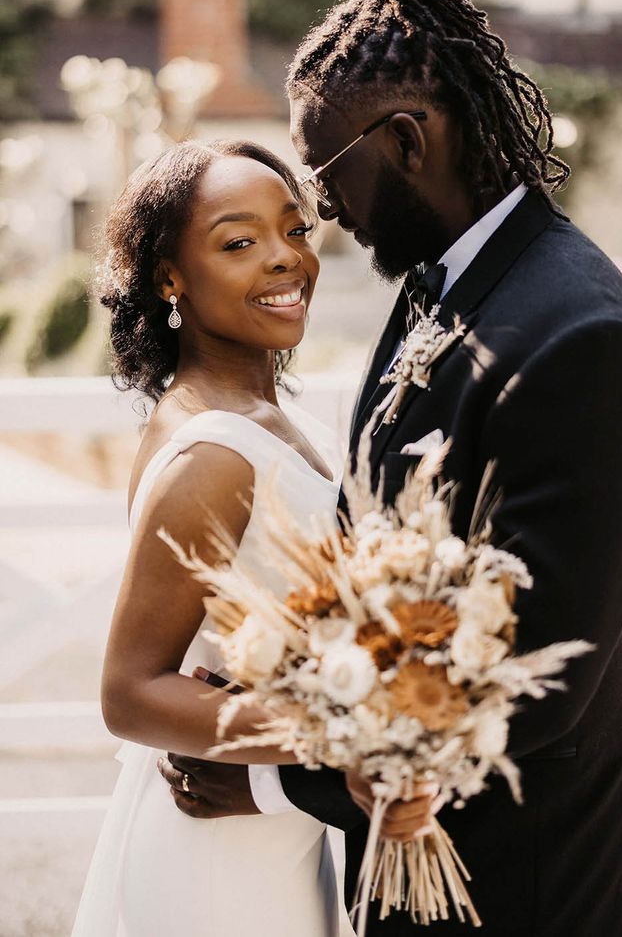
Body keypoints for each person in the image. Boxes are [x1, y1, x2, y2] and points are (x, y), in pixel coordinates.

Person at [162, 0, 622, 936]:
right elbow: (384, 551)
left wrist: (275, 784)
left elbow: (536, 684)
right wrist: (287, 677)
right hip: (428, 865)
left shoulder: (580, 336)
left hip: (539, 882)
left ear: (404, 139)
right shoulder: (436, 281)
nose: (325, 213)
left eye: (325, 175)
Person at [73, 138, 432, 937]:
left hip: (277, 831)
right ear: (170, 278)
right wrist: (351, 729)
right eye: (239, 243)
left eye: (295, 231)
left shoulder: (271, 416)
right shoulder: (211, 455)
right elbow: (129, 692)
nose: (284, 260)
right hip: (212, 858)